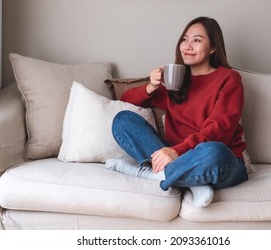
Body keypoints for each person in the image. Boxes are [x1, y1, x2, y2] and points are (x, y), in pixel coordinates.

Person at [106, 16, 248, 207]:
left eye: (197, 40)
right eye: (184, 39)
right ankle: (191, 182)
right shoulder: (176, 78)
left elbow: (220, 129)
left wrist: (176, 151)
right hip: (174, 155)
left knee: (214, 151)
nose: (187, 46)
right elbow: (125, 102)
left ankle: (150, 175)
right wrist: (151, 86)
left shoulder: (228, 79)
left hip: (220, 159)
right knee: (122, 119)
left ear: (213, 48)